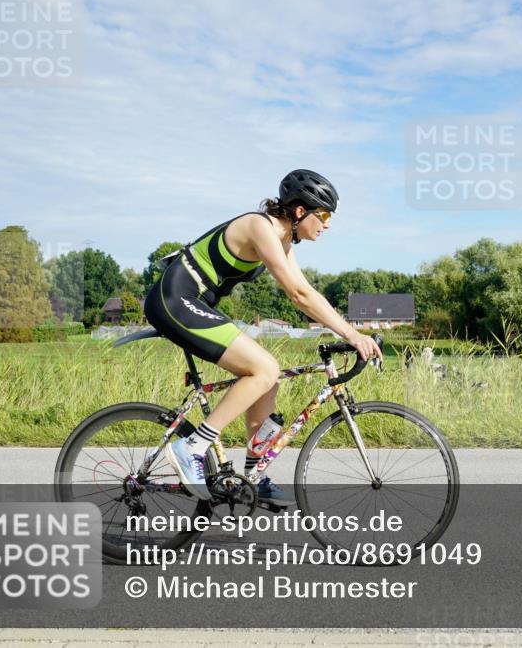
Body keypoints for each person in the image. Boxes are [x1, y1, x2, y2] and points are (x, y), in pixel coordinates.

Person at [143, 169, 383, 502]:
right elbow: (298, 294)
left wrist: (348, 329)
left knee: (270, 377)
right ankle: (192, 447)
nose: (327, 224)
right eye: (324, 214)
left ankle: (254, 472)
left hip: (194, 303)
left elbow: (307, 291)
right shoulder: (261, 226)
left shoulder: (283, 240)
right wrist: (352, 334)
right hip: (174, 301)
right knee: (264, 368)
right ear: (301, 211)